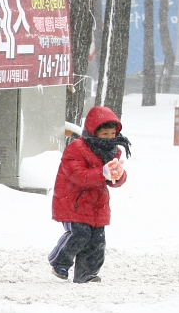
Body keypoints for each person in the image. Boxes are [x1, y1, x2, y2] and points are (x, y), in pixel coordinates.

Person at [48, 106, 131, 283]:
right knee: (80, 234)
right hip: (73, 203)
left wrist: (117, 175)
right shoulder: (76, 149)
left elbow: (114, 180)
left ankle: (87, 274)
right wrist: (102, 173)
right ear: (94, 132)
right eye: (105, 134)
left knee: (97, 242)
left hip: (96, 206)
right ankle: (59, 262)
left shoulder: (113, 152)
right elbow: (78, 176)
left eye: (112, 134)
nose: (109, 138)